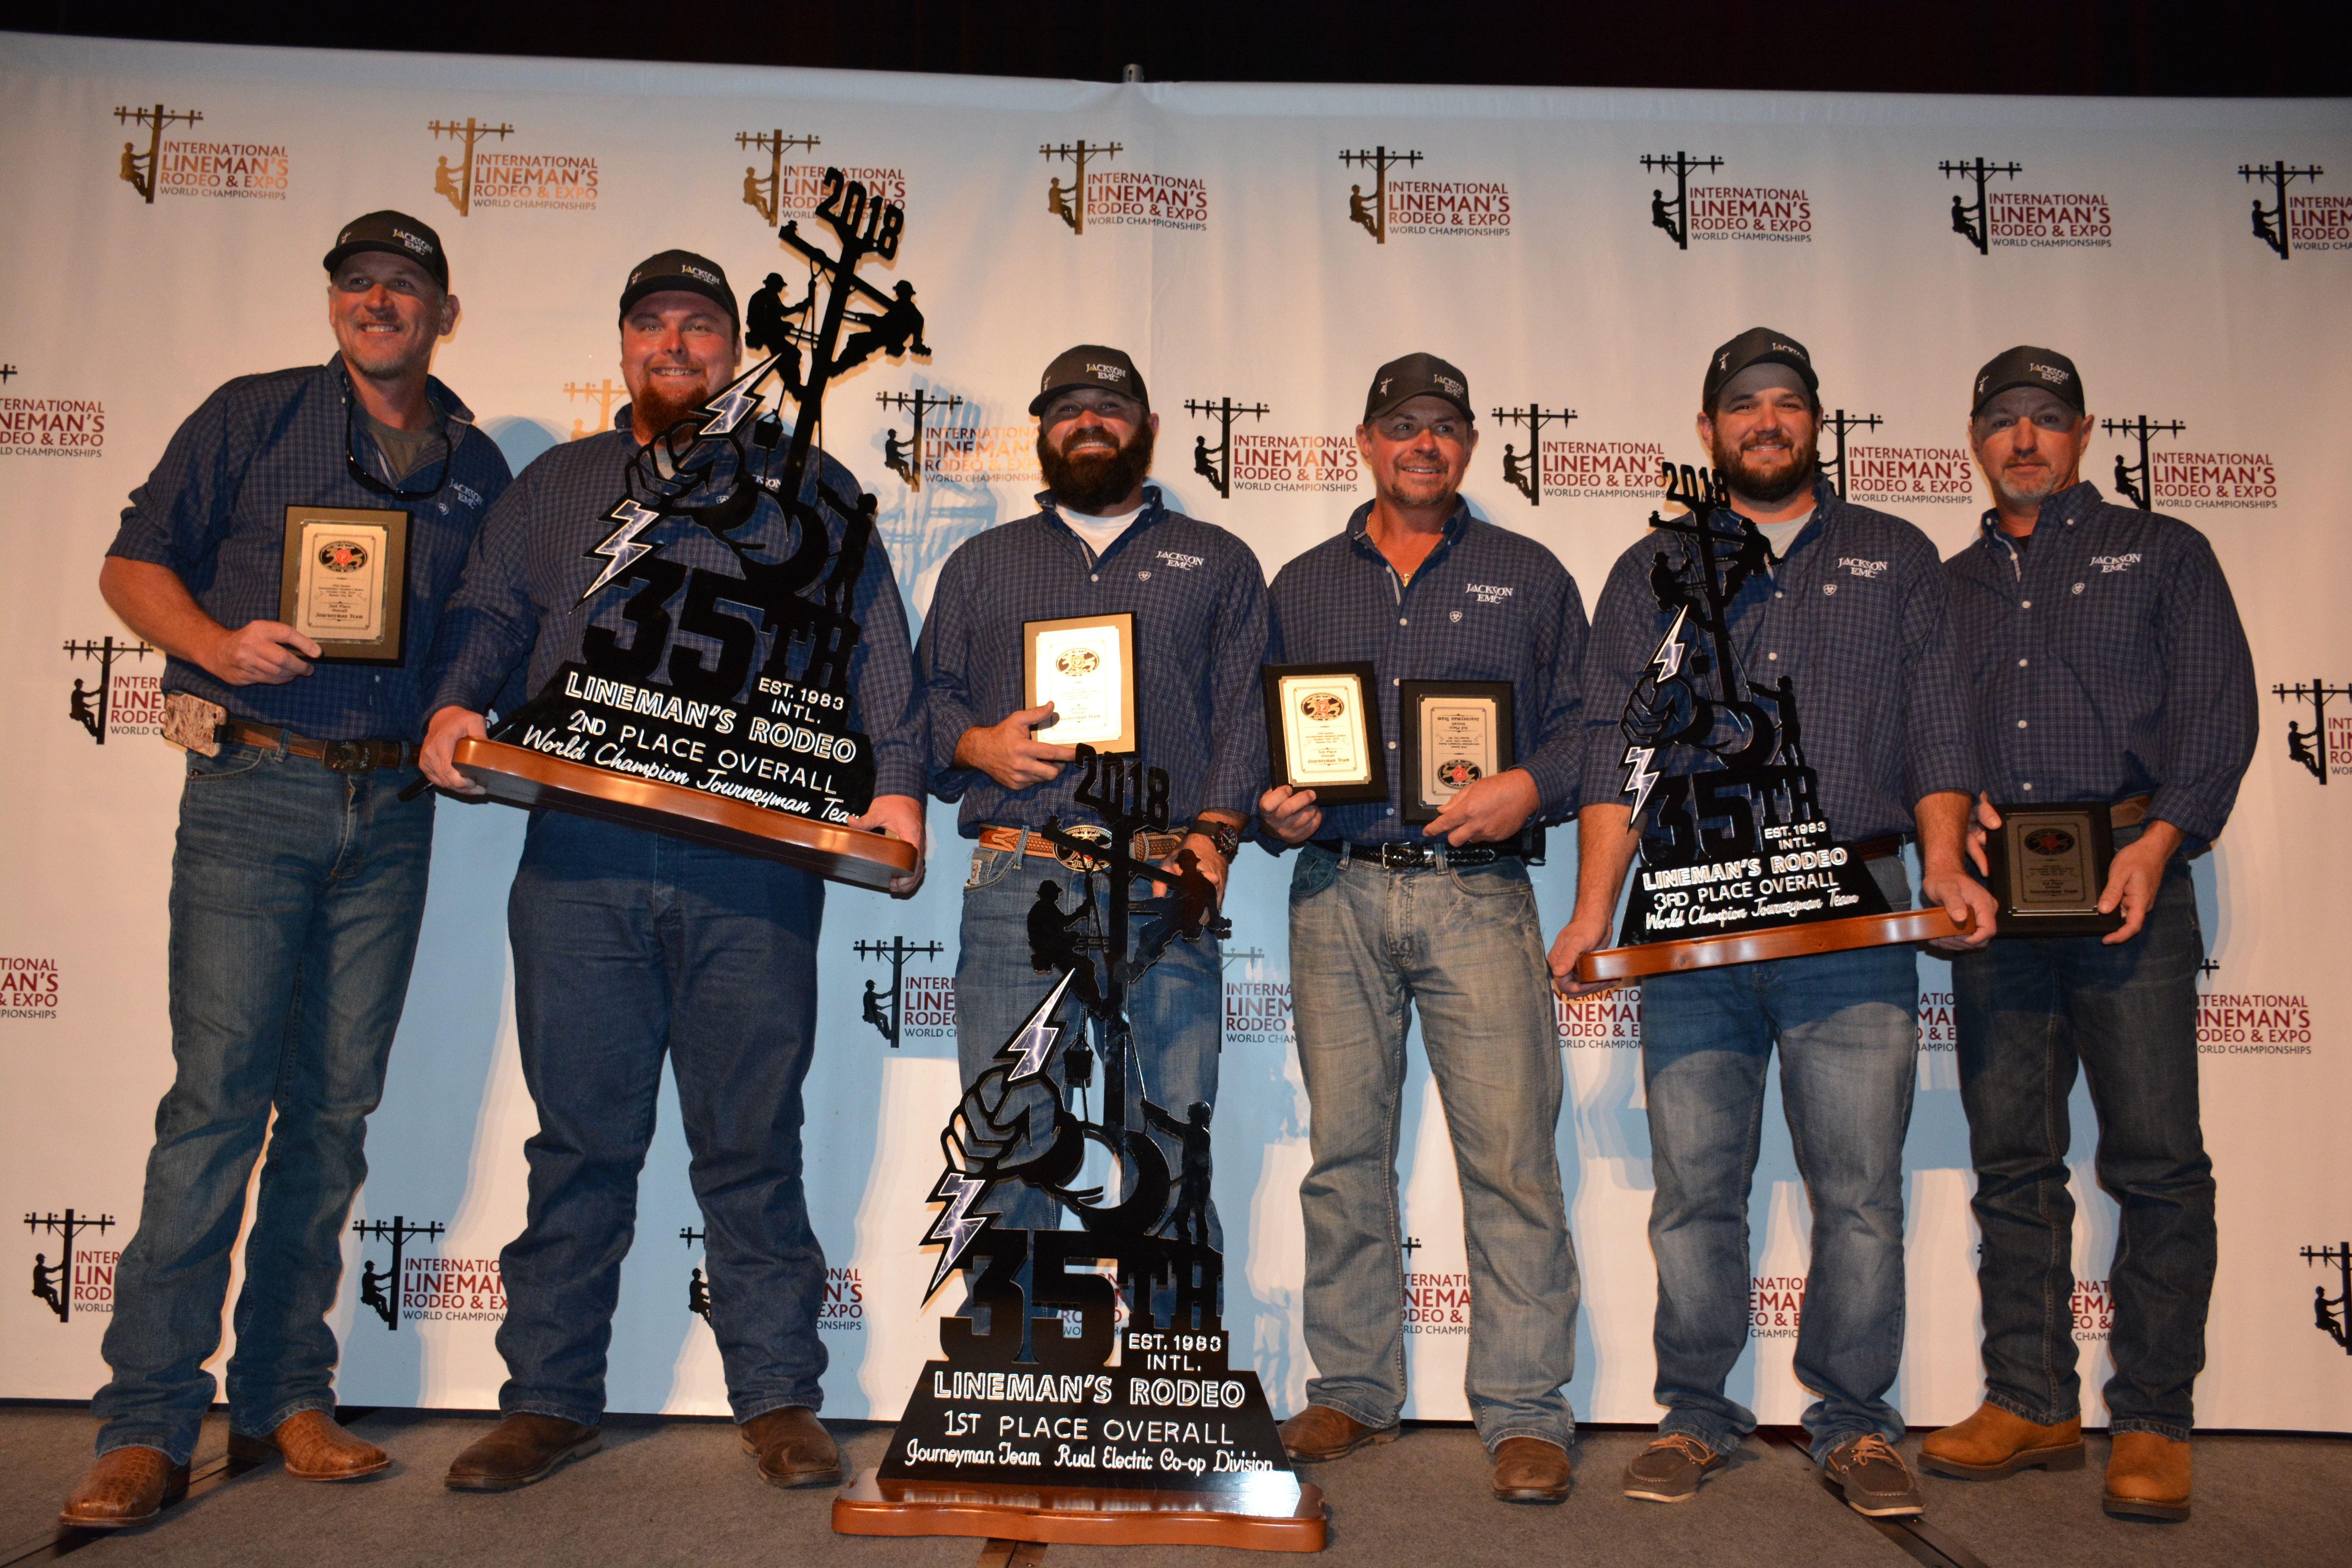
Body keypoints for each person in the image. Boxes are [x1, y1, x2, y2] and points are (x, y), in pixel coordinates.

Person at [416, 249, 925, 1494]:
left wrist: (901, 788)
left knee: (750, 1139)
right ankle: (548, 1399)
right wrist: (453, 705)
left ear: (733, 348)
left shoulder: (812, 485)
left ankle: (779, 1398)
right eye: (654, 325)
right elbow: (488, 612)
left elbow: (877, 643)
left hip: (753, 863)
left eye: (702, 327)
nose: (677, 346)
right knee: (579, 1140)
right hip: (577, 856)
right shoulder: (558, 483)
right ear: (626, 347)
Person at [64, 211, 510, 1531]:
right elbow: (129, 565)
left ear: (444, 311)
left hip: (394, 812)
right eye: (358, 284)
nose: (379, 302)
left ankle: (282, 1397)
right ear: (334, 303)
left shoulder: (477, 462)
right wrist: (212, 639)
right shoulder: (250, 415)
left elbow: (484, 628)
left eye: (405, 287)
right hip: (255, 786)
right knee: (213, 1109)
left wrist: (466, 714)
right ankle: (145, 1426)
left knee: (329, 1117)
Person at [1547, 327, 1997, 1518]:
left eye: (1787, 402)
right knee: (1695, 1190)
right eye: (1742, 405)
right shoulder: (1653, 567)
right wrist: (1593, 913)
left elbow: (1939, 728)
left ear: (1815, 422)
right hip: (1692, 930)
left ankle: (1855, 1423)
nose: (1765, 420)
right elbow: (1616, 745)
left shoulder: (1897, 557)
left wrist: (1945, 864)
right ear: (1708, 432)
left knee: (1857, 1191)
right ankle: (1697, 1414)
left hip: (1852, 926)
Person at [1919, 346, 2256, 1525]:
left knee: (2157, 1159)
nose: (2026, 438)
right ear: (1976, 437)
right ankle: (2031, 1397)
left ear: (2085, 432)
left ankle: (2155, 1418)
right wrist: (1950, 837)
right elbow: (1928, 747)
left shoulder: (2166, 556)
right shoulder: (1948, 587)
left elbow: (2219, 718)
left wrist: (2160, 844)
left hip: (2130, 881)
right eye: (2004, 420)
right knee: (2015, 1162)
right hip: (1999, 902)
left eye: (2048, 419)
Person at [1257, 352, 1586, 1507]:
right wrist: (1273, 806)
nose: (1424, 443)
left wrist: (1532, 784)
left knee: (1510, 1160)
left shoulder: (1529, 574)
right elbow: (1263, 741)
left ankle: (1527, 1410)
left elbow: (1590, 728)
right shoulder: (1301, 582)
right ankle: (1350, 1384)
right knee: (1344, 1155)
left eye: (1446, 426)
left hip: (1479, 891)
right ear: (1365, 442)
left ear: (1468, 447)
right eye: (1403, 425)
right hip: (1336, 888)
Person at [917, 344, 1265, 1258]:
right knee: (1009, 1127)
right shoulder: (981, 563)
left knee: (1170, 1123)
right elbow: (923, 703)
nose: (1089, 421)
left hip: (1164, 878)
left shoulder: (1219, 561)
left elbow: (1249, 714)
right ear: (1041, 429)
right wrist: (974, 743)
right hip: (1016, 874)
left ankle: (1172, 1363)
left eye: (1110, 408)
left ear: (1147, 430)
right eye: (1068, 406)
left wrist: (1216, 835)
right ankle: (1016, 1362)